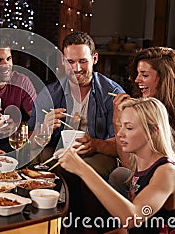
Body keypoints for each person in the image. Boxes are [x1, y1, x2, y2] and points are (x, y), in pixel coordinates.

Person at [110, 47, 175, 233]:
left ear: (164, 78)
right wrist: (117, 120)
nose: (137, 80)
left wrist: (171, 169)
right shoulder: (140, 108)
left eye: (144, 75)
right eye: (137, 74)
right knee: (118, 175)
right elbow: (129, 165)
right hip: (148, 175)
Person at [60, 97, 175, 233]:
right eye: (120, 126)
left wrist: (82, 168)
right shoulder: (142, 168)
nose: (120, 134)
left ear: (153, 131)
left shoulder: (167, 172)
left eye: (129, 127)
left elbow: (132, 218)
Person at [29, 31, 124, 178]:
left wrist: (95, 144)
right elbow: (28, 140)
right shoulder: (50, 94)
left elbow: (122, 144)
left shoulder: (111, 93)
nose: (76, 69)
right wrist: (43, 130)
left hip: (97, 154)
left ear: (95, 59)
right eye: (70, 62)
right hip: (58, 150)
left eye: (83, 61)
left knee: (93, 167)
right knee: (35, 158)